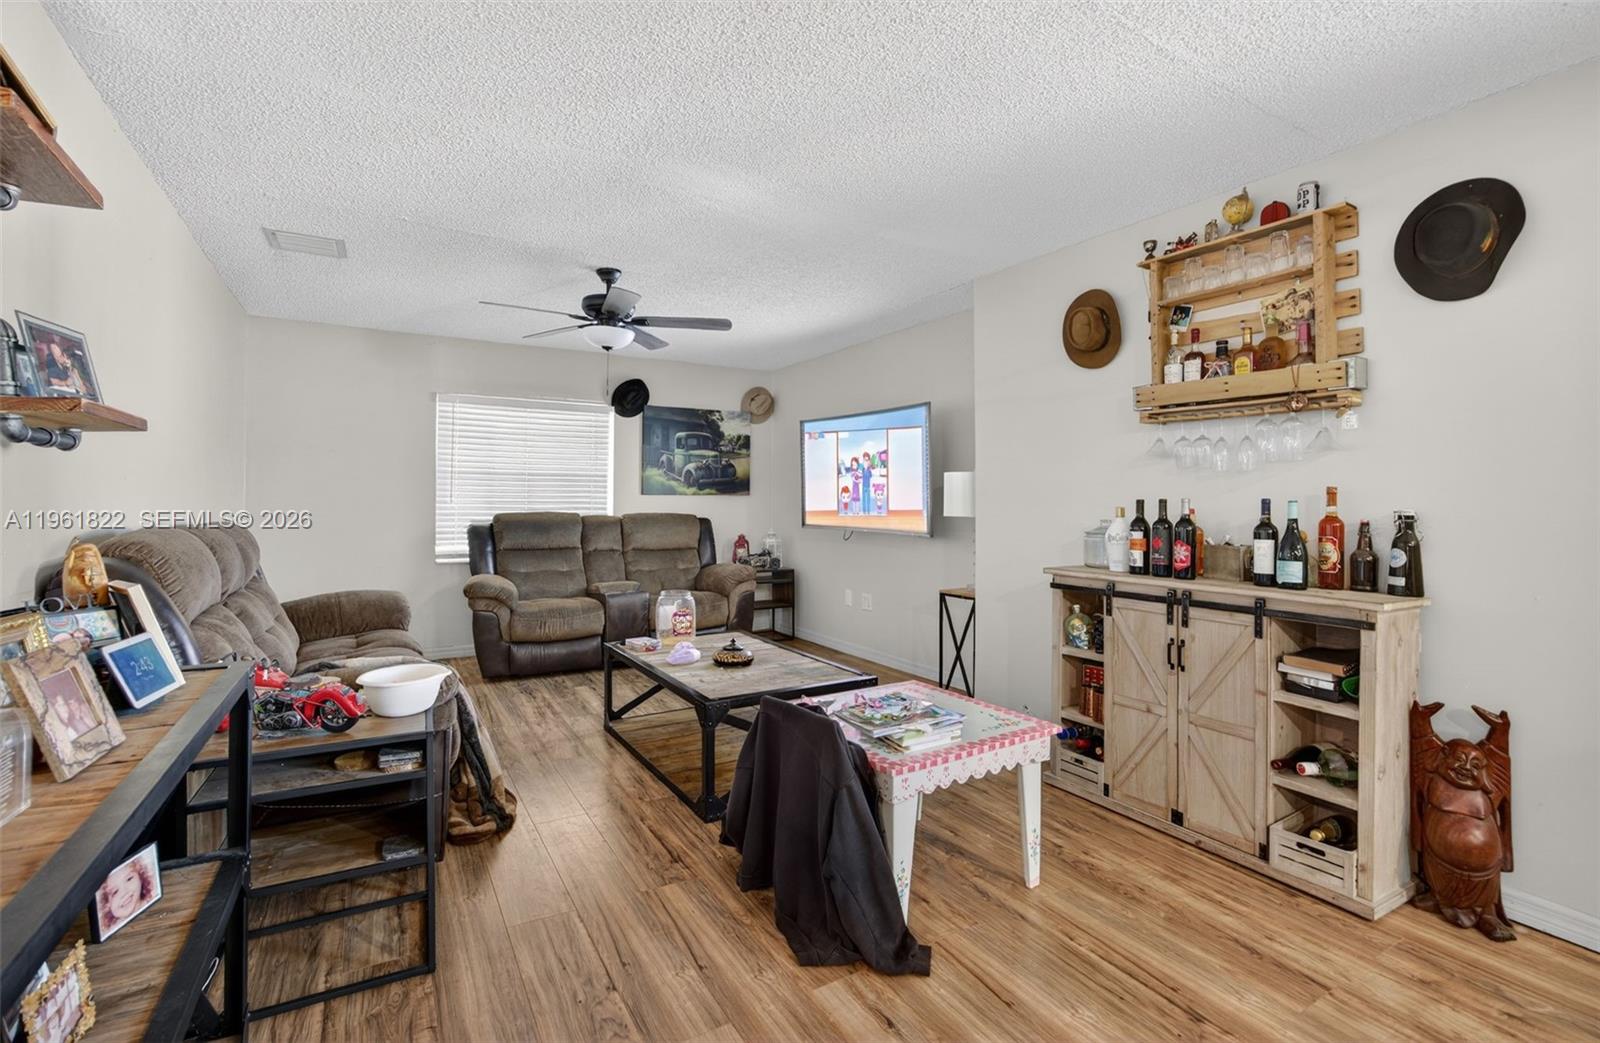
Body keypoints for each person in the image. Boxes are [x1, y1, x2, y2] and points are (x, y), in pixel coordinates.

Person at [97, 852, 158, 937]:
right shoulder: (107, 931)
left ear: (140, 877)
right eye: (115, 892)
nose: (124, 892)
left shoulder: (153, 897)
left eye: (129, 879)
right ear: (107, 904)